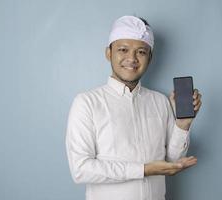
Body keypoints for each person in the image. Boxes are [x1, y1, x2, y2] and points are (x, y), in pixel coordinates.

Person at [65, 15, 202, 200]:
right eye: (123, 49)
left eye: (141, 52)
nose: (132, 58)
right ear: (108, 53)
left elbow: (171, 162)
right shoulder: (87, 103)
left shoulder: (160, 101)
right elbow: (80, 169)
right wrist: (143, 170)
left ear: (150, 58)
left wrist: (182, 125)